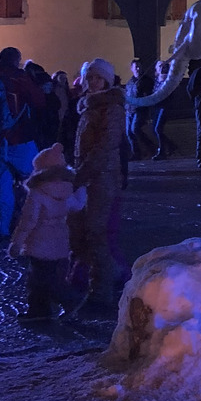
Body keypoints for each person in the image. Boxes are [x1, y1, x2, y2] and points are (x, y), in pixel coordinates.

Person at [69, 58, 127, 311]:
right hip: (87, 176)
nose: (92, 82)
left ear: (107, 80)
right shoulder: (87, 106)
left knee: (97, 232)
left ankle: (100, 290)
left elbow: (106, 144)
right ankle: (108, 275)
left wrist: (84, 172)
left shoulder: (111, 107)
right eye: (89, 77)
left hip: (102, 177)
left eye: (97, 78)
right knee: (82, 232)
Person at [9, 142, 85, 320]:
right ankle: (39, 309)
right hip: (60, 239)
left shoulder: (37, 193)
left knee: (40, 279)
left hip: (39, 241)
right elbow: (78, 205)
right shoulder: (67, 190)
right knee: (43, 277)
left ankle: (69, 299)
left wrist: (17, 243)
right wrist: (82, 189)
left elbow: (29, 221)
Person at [0, 46, 46, 239]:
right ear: (17, 60)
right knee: (34, 179)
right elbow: (39, 100)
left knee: (2, 183)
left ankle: (3, 228)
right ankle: (32, 224)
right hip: (20, 137)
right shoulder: (19, 77)